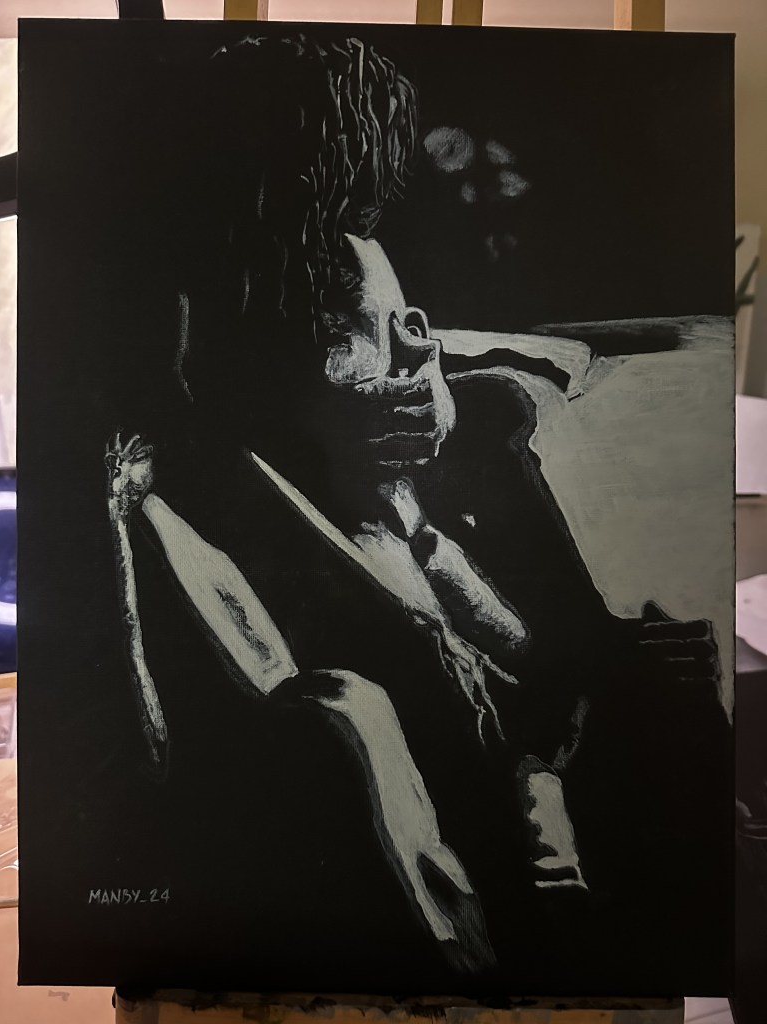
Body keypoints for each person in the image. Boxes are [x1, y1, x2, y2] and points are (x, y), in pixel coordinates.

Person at [105, 34, 726, 990]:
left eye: (417, 333)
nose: (421, 358)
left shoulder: (438, 482)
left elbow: (533, 649)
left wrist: (598, 682)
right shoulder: (234, 500)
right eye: (381, 339)